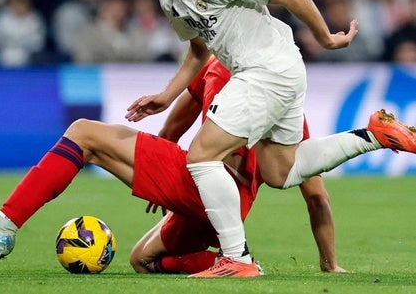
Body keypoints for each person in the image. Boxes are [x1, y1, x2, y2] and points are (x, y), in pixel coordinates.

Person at [102, 0, 416, 278]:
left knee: (201, 156)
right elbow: (199, 52)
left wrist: (326, 38)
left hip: (267, 70)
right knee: (279, 171)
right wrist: (167, 95)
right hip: (271, 70)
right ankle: (373, 134)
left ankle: (237, 259)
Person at [130, 56, 345, 274]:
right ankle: (235, 259)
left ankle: (239, 262)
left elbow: (172, 129)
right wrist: (330, 264)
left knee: (142, 260)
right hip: (231, 204)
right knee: (143, 255)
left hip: (204, 191)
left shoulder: (213, 66)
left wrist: (160, 180)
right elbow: (316, 196)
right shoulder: (286, 108)